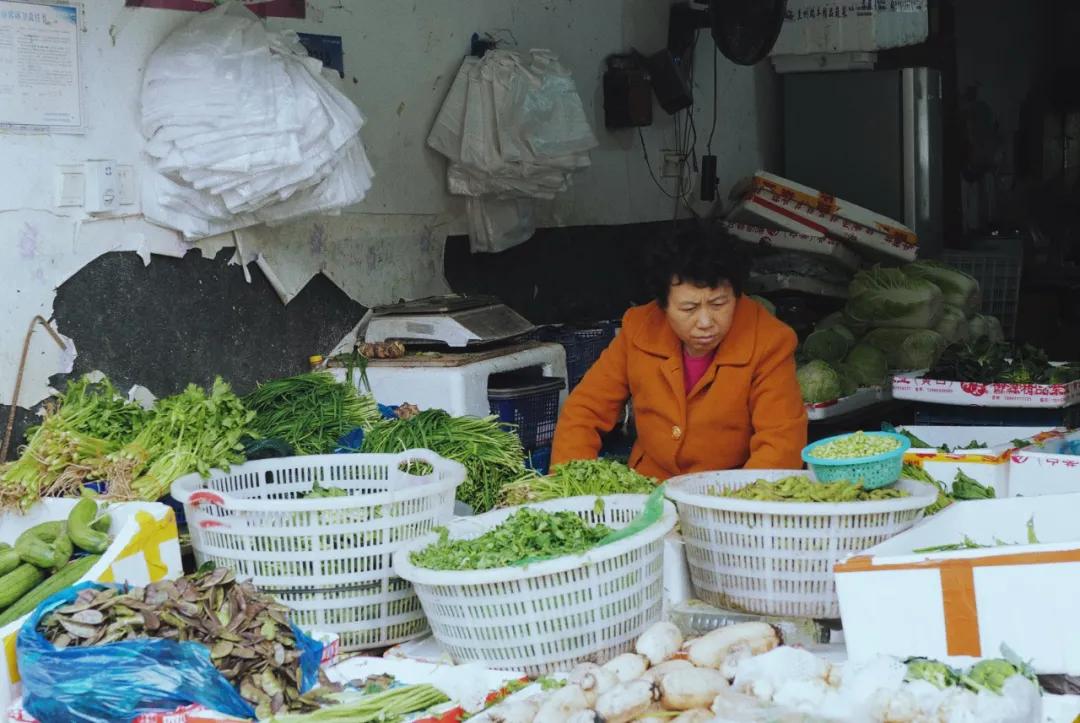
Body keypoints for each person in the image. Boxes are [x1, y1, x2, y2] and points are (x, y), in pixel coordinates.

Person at [550, 227, 807, 479]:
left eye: (719, 304)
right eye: (688, 308)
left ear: (738, 295)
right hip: (648, 487)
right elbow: (585, 411)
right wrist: (568, 489)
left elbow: (780, 444)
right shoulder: (639, 328)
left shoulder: (770, 341)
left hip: (729, 492)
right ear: (662, 305)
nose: (706, 321)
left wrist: (735, 508)